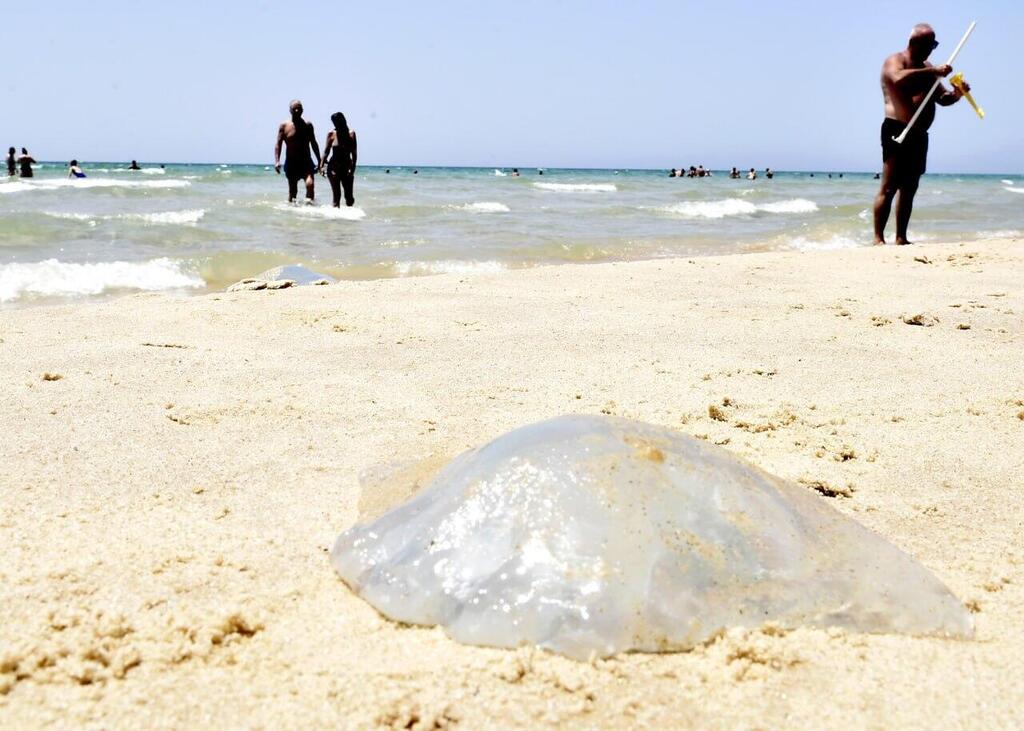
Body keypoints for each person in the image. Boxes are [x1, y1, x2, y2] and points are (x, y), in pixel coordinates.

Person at [874, 23, 966, 245]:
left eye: (935, 44)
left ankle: (901, 237)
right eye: (929, 44)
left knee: (910, 187)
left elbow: (942, 98)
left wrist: (958, 93)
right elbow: (898, 78)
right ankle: (878, 239)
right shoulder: (896, 61)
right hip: (898, 129)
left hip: (919, 135)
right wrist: (933, 71)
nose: (932, 49)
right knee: (889, 185)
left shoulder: (928, 67)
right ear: (914, 43)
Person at [274, 99, 321, 203]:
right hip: (292, 163)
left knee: (310, 185)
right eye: (294, 109)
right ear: (290, 110)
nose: (297, 111)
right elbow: (278, 143)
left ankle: (310, 210)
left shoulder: (308, 125)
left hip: (306, 162)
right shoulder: (284, 126)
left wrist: (319, 160)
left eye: (299, 109)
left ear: (302, 110)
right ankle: (291, 213)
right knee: (293, 192)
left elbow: (313, 143)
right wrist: (277, 161)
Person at [319, 111, 358, 208]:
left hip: (347, 167)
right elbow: (326, 151)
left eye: (337, 122)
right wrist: (321, 166)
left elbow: (354, 153)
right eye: (334, 122)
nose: (336, 124)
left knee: (349, 198)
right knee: (337, 197)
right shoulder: (331, 134)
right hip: (333, 168)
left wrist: (352, 169)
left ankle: (350, 219)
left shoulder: (351, 134)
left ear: (343, 121)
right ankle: (336, 221)